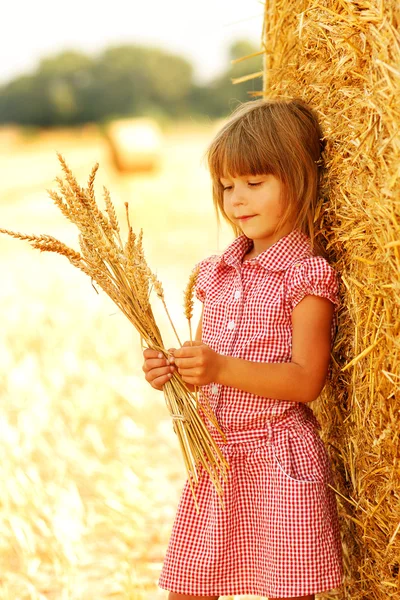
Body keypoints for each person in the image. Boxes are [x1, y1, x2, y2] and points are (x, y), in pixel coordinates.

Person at [142, 98, 344, 600]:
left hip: (279, 458)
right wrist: (175, 370)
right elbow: (207, 363)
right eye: (227, 186)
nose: (236, 200)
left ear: (299, 180)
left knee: (288, 589)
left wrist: (220, 367)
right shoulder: (216, 271)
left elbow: (305, 380)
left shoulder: (305, 277)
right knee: (188, 587)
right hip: (218, 457)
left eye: (255, 183)